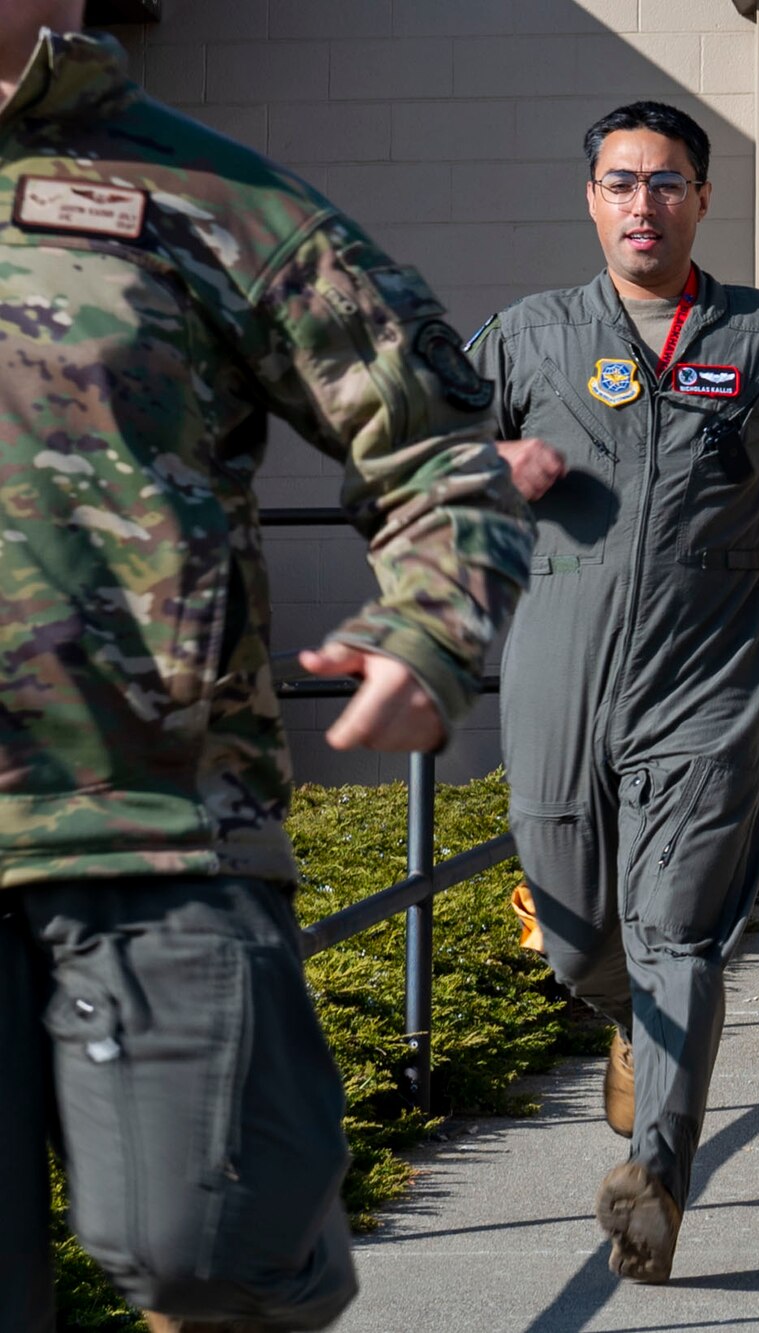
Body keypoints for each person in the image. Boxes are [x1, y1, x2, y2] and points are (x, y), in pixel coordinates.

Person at [0, 12, 534, 1333]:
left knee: (217, 1250)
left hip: (155, 828)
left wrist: (428, 629)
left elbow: (441, 449)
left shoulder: (204, 192)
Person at [469, 101, 759, 1284]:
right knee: (571, 938)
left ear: (702, 198)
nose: (642, 205)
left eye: (665, 184)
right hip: (559, 671)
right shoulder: (527, 335)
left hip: (707, 680)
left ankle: (657, 1171)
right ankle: (618, 1017)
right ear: (591, 197)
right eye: (620, 184)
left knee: (680, 935)